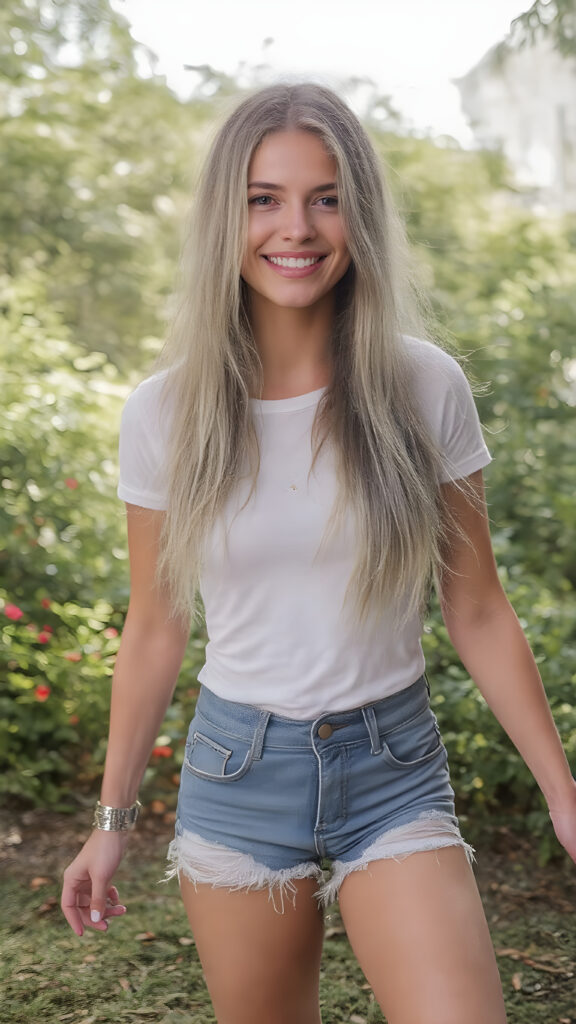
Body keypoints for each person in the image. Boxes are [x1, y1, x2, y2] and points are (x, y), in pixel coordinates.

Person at [61, 83, 576, 1024]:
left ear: (360, 215)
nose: (295, 227)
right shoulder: (165, 412)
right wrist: (111, 823)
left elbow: (478, 608)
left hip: (394, 768)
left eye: (326, 196)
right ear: (229, 213)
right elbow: (156, 624)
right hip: (237, 773)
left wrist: (563, 791)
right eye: (265, 197)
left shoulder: (424, 387)